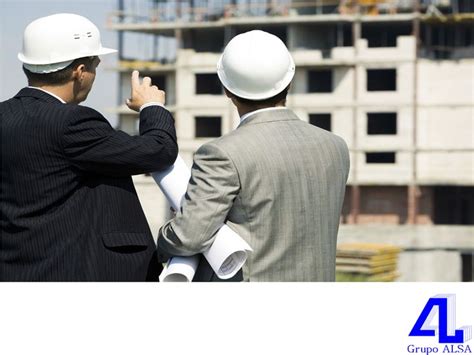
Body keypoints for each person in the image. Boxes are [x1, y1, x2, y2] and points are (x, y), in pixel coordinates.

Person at [156, 30, 350, 281]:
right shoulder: (335, 147)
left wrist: (166, 234)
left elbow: (189, 236)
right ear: (289, 81)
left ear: (227, 89)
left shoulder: (221, 154)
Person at [0, 14, 178, 281]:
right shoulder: (72, 122)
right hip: (72, 273)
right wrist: (152, 106)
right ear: (80, 72)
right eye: (95, 65)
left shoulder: (5, 115)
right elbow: (158, 149)